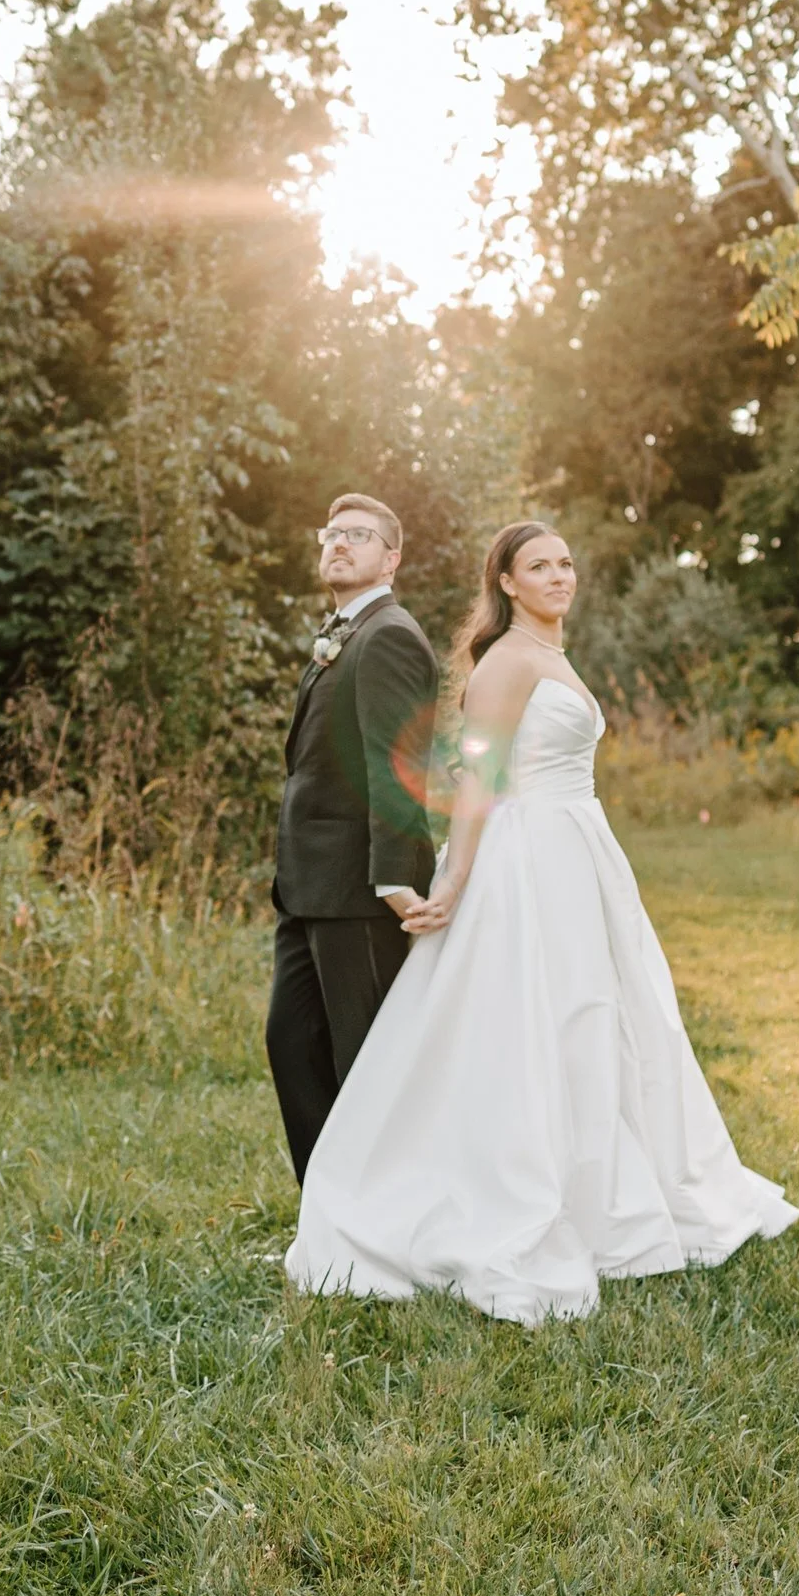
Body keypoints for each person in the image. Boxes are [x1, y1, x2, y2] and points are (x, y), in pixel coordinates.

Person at [285, 520, 798, 1322]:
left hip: (580, 853)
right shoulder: (507, 661)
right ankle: (503, 1193)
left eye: (566, 562)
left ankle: (609, 1194)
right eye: (539, 566)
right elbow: (483, 777)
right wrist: (454, 874)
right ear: (509, 583)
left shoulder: (555, 656)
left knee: (602, 1017)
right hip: (526, 860)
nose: (560, 575)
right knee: (533, 1020)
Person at [266, 493, 438, 1184]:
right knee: (293, 1044)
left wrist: (395, 884)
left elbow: (397, 769)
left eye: (358, 535)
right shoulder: (343, 632)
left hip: (362, 891)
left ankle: (389, 1217)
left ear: (390, 558)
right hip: (308, 888)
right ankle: (330, 1216)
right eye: (331, 534)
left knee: (368, 1061)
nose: (338, 543)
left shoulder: (389, 634)